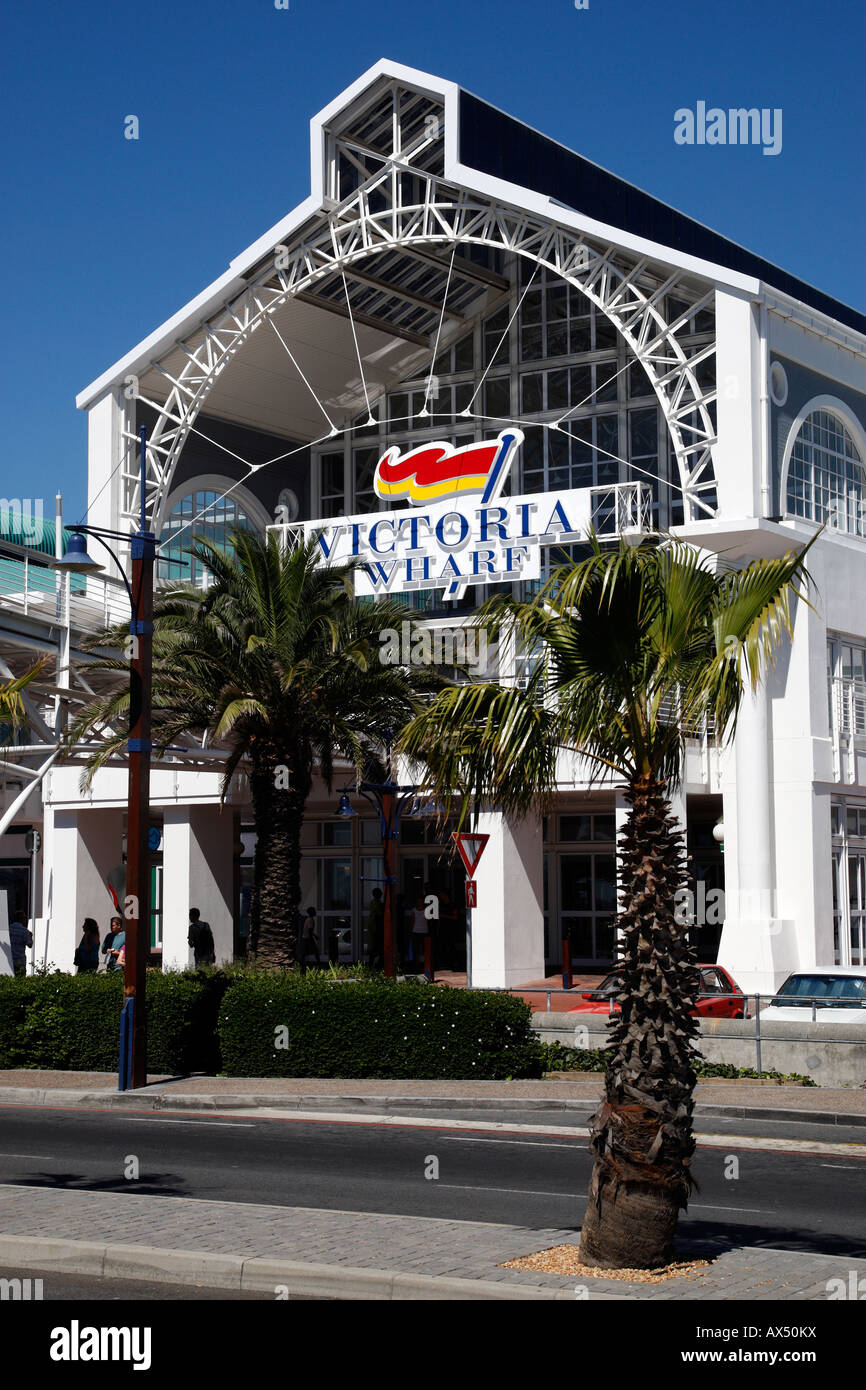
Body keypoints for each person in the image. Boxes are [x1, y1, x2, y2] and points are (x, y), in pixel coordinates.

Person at [407, 895, 429, 970]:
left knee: (425, 949)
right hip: (415, 931)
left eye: (421, 901)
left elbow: (429, 921)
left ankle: (426, 965)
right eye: (418, 901)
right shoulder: (414, 910)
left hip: (424, 931)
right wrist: (410, 931)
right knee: (416, 950)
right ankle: (417, 965)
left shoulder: (427, 910)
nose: (420, 903)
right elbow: (412, 921)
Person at [9, 911, 32, 978]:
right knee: (20, 980)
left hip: (10, 958)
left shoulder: (9, 928)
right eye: (25, 918)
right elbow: (30, 945)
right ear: (21, 919)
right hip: (20, 960)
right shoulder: (24, 931)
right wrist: (30, 936)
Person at [298, 906, 321, 973]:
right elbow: (310, 930)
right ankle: (318, 964)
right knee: (315, 951)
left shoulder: (308, 919)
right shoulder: (310, 920)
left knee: (305, 953)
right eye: (314, 911)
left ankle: (302, 965)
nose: (315, 912)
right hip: (307, 938)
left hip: (305, 938)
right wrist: (314, 937)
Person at [366, 888, 384, 968]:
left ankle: (373, 964)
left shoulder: (376, 902)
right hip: (375, 928)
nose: (381, 894)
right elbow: (378, 914)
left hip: (375, 928)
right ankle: (372, 965)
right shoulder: (375, 903)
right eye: (379, 893)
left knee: (375, 948)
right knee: (374, 948)